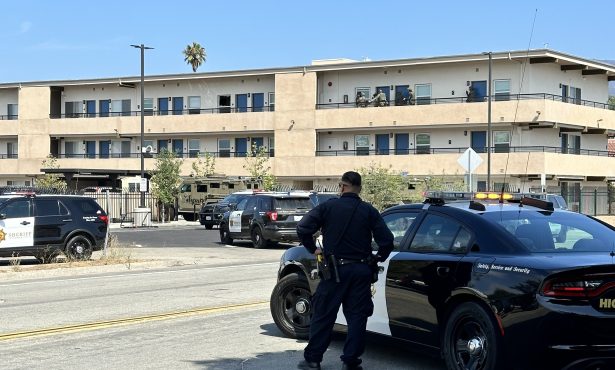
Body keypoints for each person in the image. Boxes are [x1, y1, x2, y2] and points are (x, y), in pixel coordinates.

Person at [296, 171, 394, 370]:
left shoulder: (328, 207)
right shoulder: (368, 210)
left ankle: (313, 360)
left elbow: (303, 227)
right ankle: (351, 362)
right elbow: (387, 241)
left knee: (323, 315)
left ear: (342, 186)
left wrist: (312, 248)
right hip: (361, 270)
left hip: (334, 271)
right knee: (357, 318)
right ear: (360, 188)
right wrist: (376, 258)